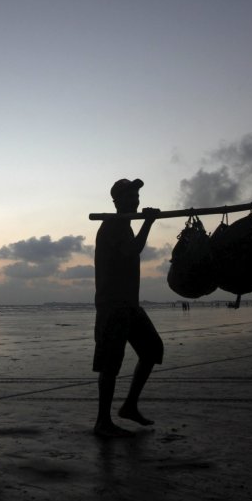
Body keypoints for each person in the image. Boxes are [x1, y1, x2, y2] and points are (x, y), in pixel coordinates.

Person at [92, 178, 162, 438]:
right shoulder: (113, 226)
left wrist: (143, 222)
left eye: (136, 195)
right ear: (117, 201)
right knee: (111, 363)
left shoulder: (124, 226)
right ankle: (103, 422)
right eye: (130, 195)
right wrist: (149, 222)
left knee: (153, 349)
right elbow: (132, 251)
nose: (135, 199)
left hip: (130, 304)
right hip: (112, 305)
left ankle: (130, 405)